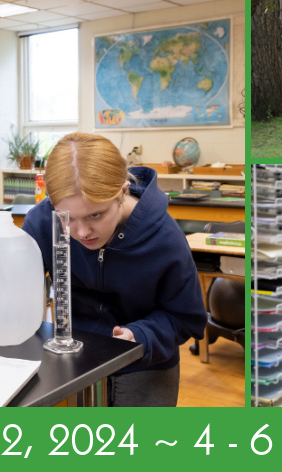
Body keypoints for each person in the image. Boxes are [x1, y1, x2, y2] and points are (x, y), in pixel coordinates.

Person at [21, 132, 206, 407]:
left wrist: (141, 336)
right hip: (70, 362)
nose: (82, 232)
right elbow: (19, 292)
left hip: (142, 361)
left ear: (122, 191)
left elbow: (187, 318)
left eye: (96, 214)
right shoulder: (41, 222)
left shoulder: (164, 238)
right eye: (67, 218)